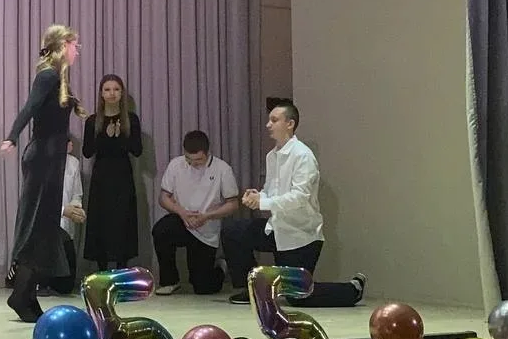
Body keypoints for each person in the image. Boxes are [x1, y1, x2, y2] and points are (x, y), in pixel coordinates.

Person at [224, 98, 366, 307]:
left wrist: (263, 203)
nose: (268, 125)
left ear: (290, 124)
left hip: (300, 235)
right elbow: (271, 191)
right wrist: (258, 197)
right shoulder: (272, 156)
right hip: (276, 228)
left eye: (274, 120)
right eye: (269, 120)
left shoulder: (303, 156)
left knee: (297, 296)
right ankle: (253, 289)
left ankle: (352, 289)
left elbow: (299, 197)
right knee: (234, 231)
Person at [0, 25, 85, 322]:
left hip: (51, 159)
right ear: (62, 46)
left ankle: (25, 294)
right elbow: (30, 108)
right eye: (74, 45)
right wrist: (12, 136)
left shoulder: (57, 77)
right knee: (37, 227)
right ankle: (20, 294)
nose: (77, 50)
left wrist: (75, 105)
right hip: (43, 160)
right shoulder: (48, 75)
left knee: (45, 229)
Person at [152, 130, 238, 295]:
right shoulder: (176, 165)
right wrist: (182, 212)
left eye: (198, 160)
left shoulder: (222, 169)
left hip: (207, 227)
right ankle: (169, 280)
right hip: (182, 220)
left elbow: (233, 203)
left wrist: (207, 216)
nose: (193, 164)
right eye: (188, 159)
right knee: (161, 230)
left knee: (203, 287)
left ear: (207, 153)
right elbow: (163, 197)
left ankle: (221, 267)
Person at [82, 74, 143, 272]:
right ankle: (101, 271)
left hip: (123, 177)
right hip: (101, 178)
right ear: (101, 93)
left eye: (116, 89)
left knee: (122, 222)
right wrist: (103, 135)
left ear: (122, 93)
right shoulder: (93, 121)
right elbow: (87, 152)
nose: (112, 94)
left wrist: (121, 135)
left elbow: (137, 150)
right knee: (101, 222)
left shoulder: (131, 120)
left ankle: (122, 269)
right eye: (107, 90)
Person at [43, 138, 85, 296]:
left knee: (66, 286)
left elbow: (76, 195)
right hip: (45, 229)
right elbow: (39, 202)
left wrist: (76, 210)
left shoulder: (73, 163)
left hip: (66, 228)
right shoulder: (41, 163)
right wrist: (63, 211)